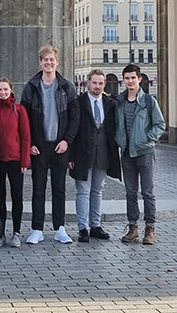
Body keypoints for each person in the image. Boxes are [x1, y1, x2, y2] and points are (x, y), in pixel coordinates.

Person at [20, 45, 80, 245]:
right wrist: (29, 144)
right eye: (45, 59)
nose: (48, 62)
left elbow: (75, 117)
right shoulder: (32, 87)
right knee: (38, 188)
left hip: (60, 145)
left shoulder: (66, 87)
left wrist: (67, 141)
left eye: (51, 59)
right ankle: (37, 229)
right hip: (39, 146)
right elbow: (24, 118)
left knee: (59, 188)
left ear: (57, 62)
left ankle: (60, 228)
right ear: (40, 62)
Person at [68, 69, 121, 243]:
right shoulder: (78, 102)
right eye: (94, 82)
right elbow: (73, 129)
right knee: (83, 191)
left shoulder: (110, 103)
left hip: (103, 154)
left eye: (100, 83)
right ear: (88, 82)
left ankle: (95, 225)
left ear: (104, 84)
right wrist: (70, 156)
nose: (97, 86)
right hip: (83, 153)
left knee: (97, 191)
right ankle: (83, 228)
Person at [116, 64, 165, 245]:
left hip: (144, 152)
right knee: (130, 192)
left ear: (139, 79)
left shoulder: (148, 101)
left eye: (133, 78)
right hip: (127, 152)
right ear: (124, 80)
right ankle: (132, 228)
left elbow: (160, 124)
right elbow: (116, 124)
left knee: (147, 192)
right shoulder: (120, 101)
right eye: (127, 78)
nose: (130, 81)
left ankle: (150, 229)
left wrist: (148, 138)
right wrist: (118, 139)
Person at [0, 78, 30, 248]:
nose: (2, 93)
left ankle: (16, 232)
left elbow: (25, 137)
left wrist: (25, 160)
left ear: (11, 90)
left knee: (17, 196)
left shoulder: (19, 110)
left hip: (16, 161)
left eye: (5, 89)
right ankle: (0, 231)